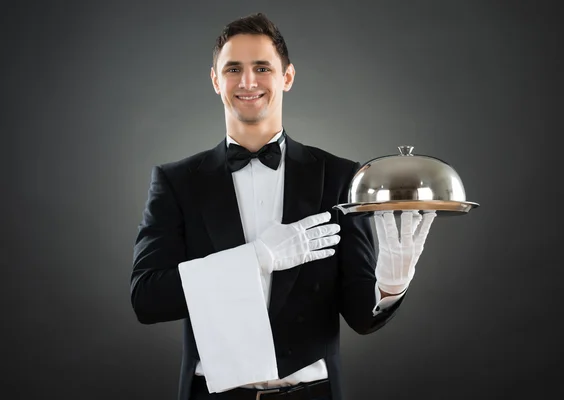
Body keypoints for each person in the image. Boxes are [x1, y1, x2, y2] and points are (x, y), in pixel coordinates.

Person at [130, 12, 437, 400]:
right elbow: (147, 299)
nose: (247, 81)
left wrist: (392, 284)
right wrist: (257, 257)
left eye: (262, 67)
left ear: (287, 77)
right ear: (215, 80)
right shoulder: (176, 182)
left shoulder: (341, 177)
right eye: (233, 69)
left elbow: (361, 317)